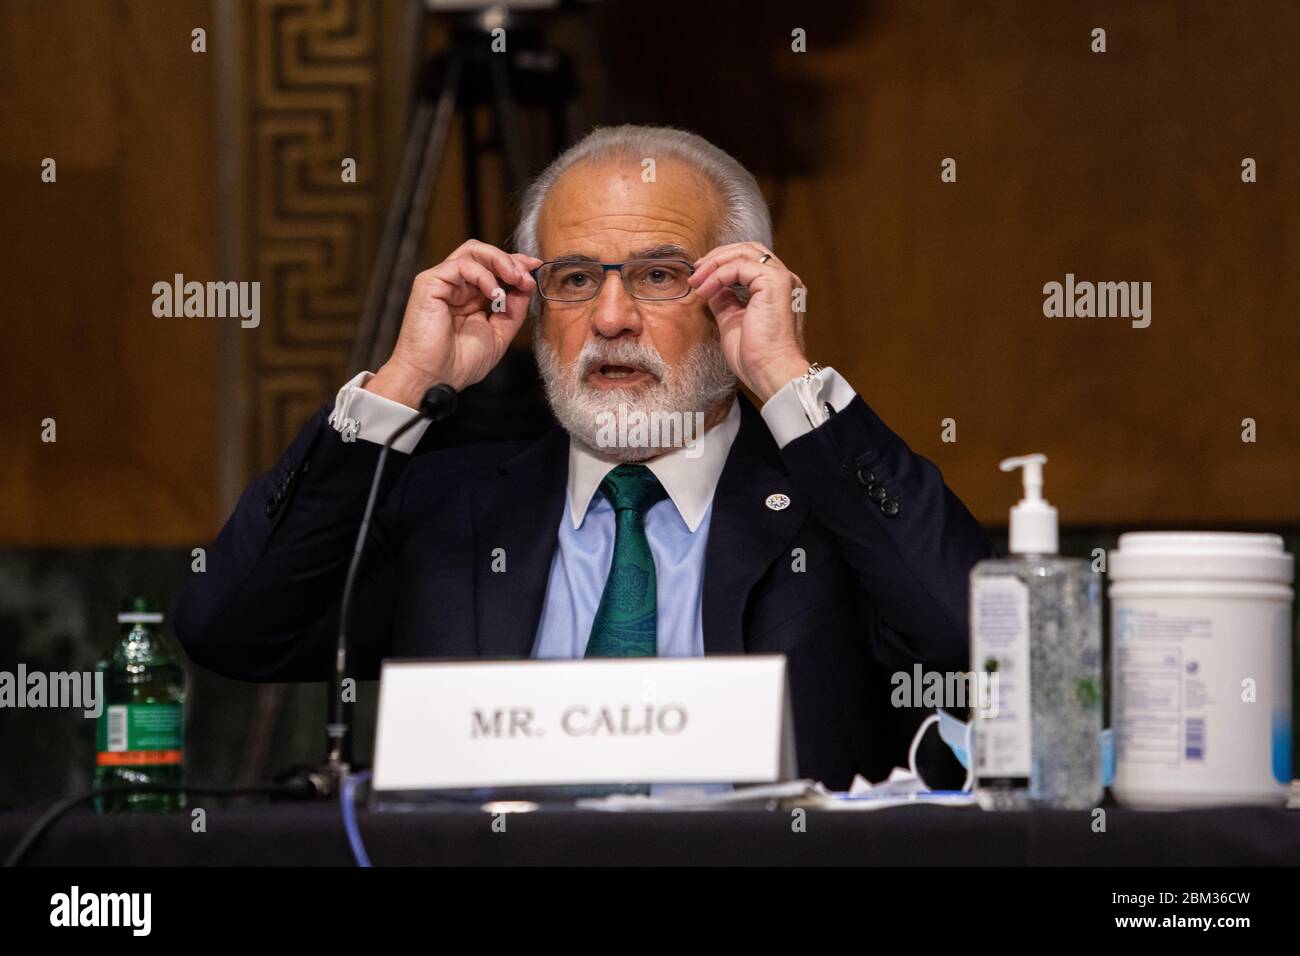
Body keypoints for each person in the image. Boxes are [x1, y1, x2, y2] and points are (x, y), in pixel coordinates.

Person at [176, 124, 997, 788]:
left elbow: (973, 636)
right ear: (531, 307)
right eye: (573, 280)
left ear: (737, 296)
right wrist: (402, 384)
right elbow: (229, 627)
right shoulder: (449, 510)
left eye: (659, 275)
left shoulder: (827, 502)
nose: (610, 318)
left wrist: (784, 376)